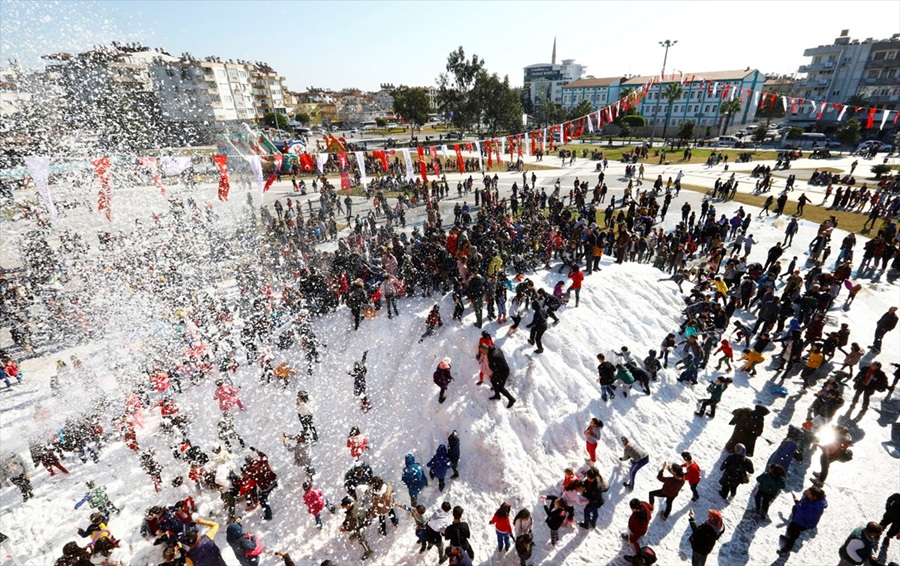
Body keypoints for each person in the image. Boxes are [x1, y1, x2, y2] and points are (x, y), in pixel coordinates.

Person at [778, 486, 828, 554]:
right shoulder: (812, 500)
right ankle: (788, 538)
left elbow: (804, 513)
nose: (806, 493)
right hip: (799, 519)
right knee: (790, 528)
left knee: (794, 534)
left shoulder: (816, 507)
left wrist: (797, 503)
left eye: (809, 493)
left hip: (804, 523)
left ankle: (787, 547)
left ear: (814, 497)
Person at [339, 496, 372, 561]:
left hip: (360, 525)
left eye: (344, 506)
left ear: (348, 505)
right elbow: (349, 515)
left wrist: (345, 529)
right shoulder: (355, 503)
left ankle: (368, 551)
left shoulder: (353, 515)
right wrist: (345, 522)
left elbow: (353, 526)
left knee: (361, 539)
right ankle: (356, 534)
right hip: (363, 518)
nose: (343, 507)